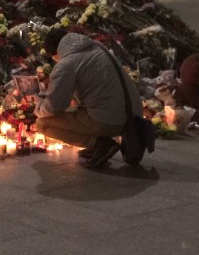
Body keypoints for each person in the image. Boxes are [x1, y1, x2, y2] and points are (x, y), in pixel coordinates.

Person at [34, 29, 143, 168]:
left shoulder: (66, 63)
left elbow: (53, 107)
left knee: (42, 123)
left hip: (111, 120)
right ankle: (98, 144)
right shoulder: (97, 47)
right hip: (133, 115)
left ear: (55, 53)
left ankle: (101, 144)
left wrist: (38, 106)